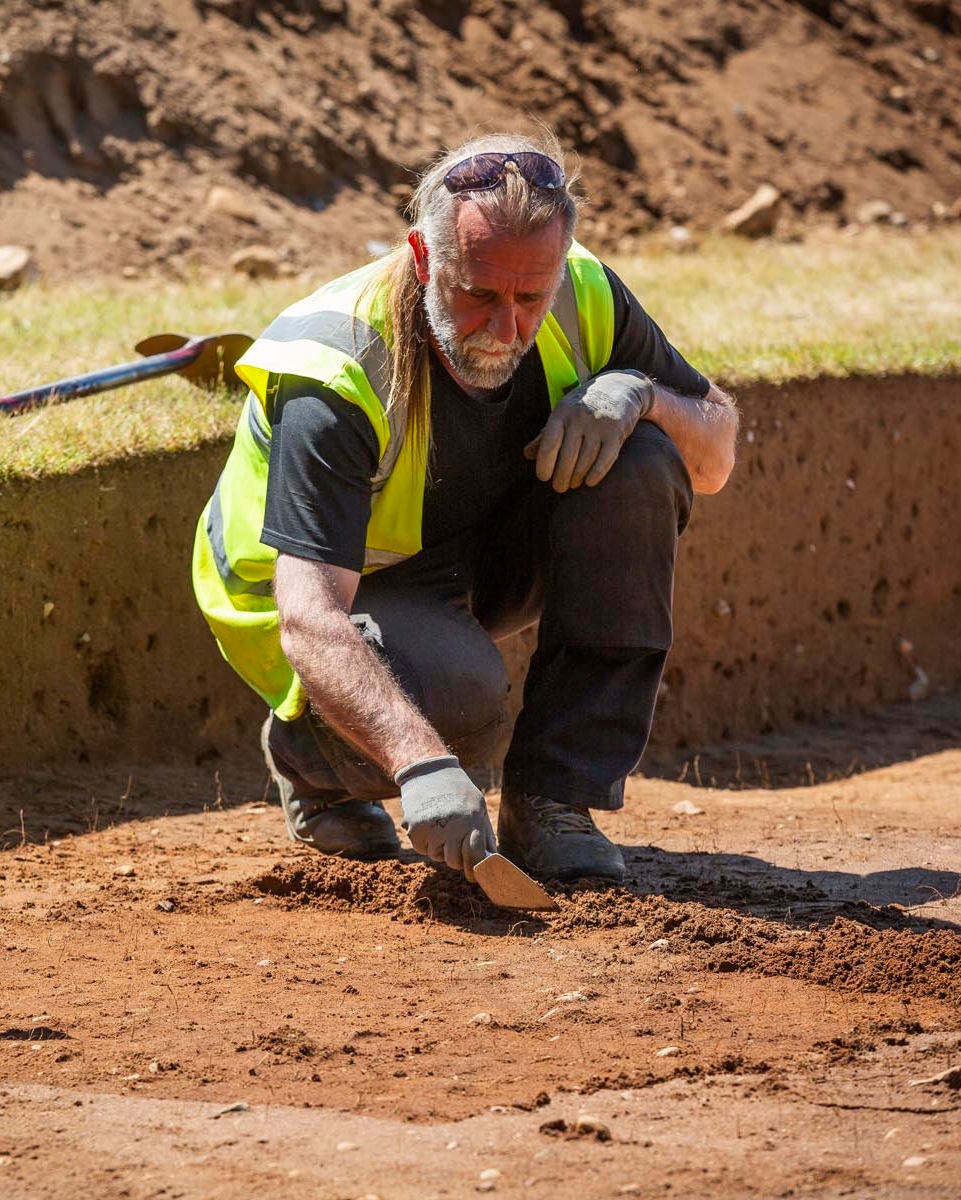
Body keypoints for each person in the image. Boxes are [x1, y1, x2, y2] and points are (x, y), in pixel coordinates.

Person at [190, 130, 738, 885]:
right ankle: (312, 761)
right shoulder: (341, 366)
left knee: (644, 462)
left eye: (529, 299)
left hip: (469, 549)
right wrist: (422, 765)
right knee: (459, 697)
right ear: (422, 257)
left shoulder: (584, 292)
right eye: (477, 294)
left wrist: (642, 398)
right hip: (307, 593)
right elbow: (308, 615)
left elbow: (715, 456)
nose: (505, 328)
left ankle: (553, 803)